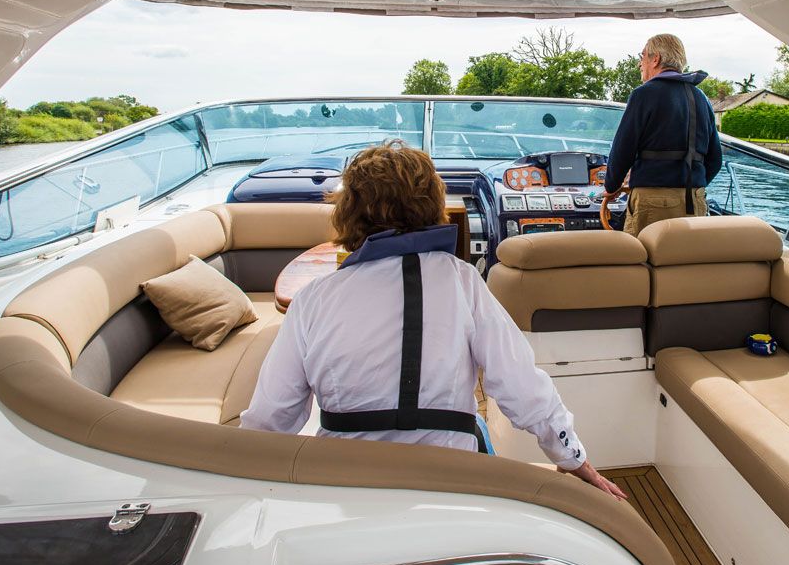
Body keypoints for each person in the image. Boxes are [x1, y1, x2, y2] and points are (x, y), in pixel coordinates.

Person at [241, 139, 626, 500]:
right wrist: (574, 460)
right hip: (449, 479)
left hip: (342, 483)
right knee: (478, 426)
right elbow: (520, 385)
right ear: (431, 205)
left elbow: (269, 420)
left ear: (347, 214)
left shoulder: (312, 299)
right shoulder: (464, 280)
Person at [605, 33, 723, 237]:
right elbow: (715, 160)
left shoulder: (643, 94)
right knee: (685, 256)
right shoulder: (700, 98)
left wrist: (611, 186)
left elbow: (623, 150)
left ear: (656, 59)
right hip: (695, 200)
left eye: (642, 56)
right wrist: (693, 186)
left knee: (643, 254)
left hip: (653, 201)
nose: (640, 64)